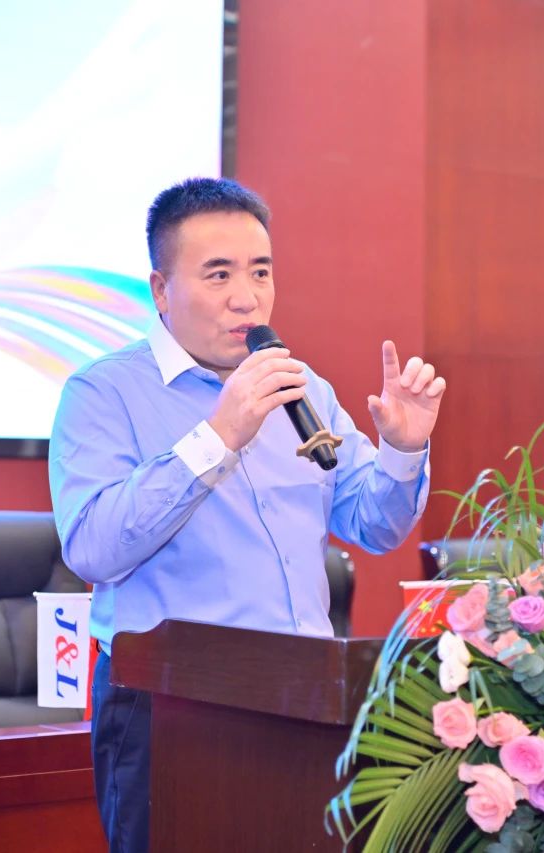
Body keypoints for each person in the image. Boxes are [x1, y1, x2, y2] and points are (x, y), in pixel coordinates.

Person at [48, 177, 445, 853]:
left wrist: (403, 451)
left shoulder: (302, 388)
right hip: (172, 711)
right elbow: (92, 547)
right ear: (161, 289)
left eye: (261, 271)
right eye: (219, 274)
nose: (247, 297)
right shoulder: (103, 392)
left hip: (307, 700)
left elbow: (372, 524)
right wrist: (218, 436)